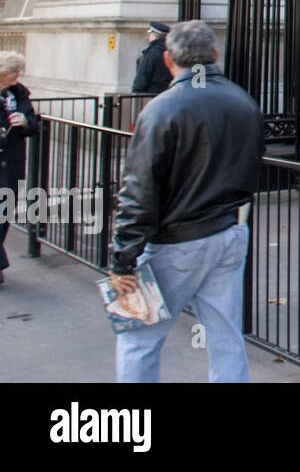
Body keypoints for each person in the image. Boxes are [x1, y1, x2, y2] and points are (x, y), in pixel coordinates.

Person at [109, 20, 264, 382]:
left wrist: (122, 258)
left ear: (167, 59)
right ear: (214, 55)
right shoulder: (243, 101)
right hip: (230, 231)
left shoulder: (162, 109)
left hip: (176, 240)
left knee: (139, 339)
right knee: (226, 337)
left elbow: (139, 191)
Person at [0, 52, 39, 286]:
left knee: (5, 214)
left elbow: (33, 124)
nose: (19, 74)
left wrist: (24, 122)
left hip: (12, 162)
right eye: (15, 70)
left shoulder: (20, 94)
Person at [131, 21, 172, 94]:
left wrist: (136, 92)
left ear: (155, 35)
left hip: (151, 94)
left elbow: (142, 77)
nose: (148, 36)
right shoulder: (172, 52)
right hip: (168, 93)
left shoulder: (152, 53)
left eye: (150, 33)